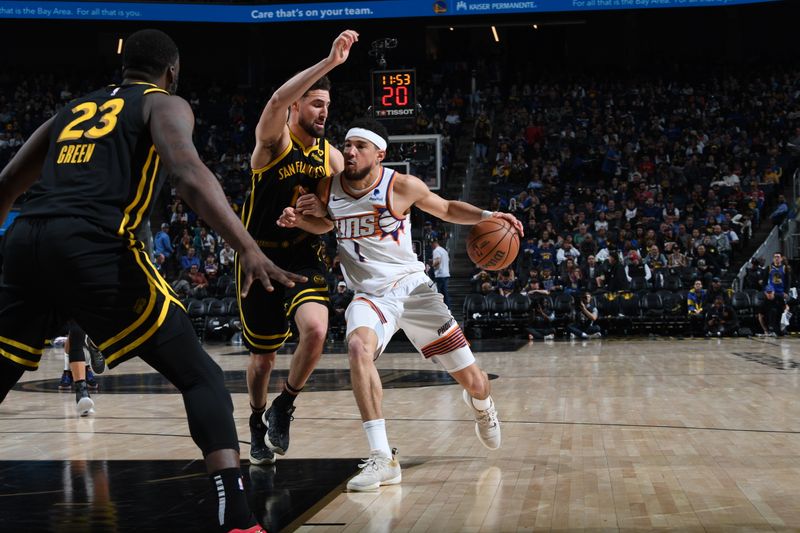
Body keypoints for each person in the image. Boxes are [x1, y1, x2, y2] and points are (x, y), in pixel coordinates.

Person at [0, 29, 306, 532]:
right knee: (199, 375)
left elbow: (9, 183)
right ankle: (238, 513)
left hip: (27, 241)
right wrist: (248, 247)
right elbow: (187, 173)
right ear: (172, 71)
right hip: (94, 244)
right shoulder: (163, 104)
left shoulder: (71, 110)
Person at [278, 118, 523, 491]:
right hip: (369, 296)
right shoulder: (328, 187)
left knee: (476, 382)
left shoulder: (401, 185)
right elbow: (328, 225)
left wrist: (490, 216)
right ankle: (382, 457)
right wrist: (300, 219)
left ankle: (482, 406)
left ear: (380, 153)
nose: (350, 151)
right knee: (358, 345)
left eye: (360, 146)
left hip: (413, 291)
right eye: (347, 145)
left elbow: (446, 208)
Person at [239, 30, 355, 466]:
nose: (324, 112)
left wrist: (306, 218)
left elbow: (331, 221)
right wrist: (329, 62)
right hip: (259, 256)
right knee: (263, 361)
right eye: (316, 103)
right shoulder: (275, 142)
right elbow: (271, 102)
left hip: (304, 254)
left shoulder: (331, 158)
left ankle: (284, 406)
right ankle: (254, 419)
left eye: (327, 105)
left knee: (318, 330)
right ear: (296, 106)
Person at [430, 238, 451, 309]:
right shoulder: (444, 250)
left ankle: (439, 308)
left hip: (440, 275)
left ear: (433, 243)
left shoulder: (436, 251)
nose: (431, 246)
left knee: (438, 293)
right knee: (445, 293)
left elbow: (437, 261)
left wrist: (431, 266)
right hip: (446, 273)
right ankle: (448, 308)